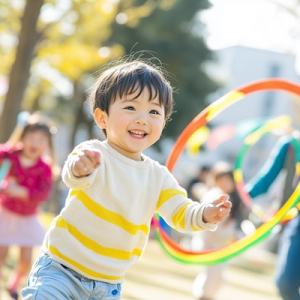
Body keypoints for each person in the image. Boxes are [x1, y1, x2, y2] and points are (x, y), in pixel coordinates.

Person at [21, 59, 232, 300]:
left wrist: (205, 214)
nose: (142, 119)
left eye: (154, 111)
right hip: (61, 271)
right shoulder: (94, 153)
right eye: (131, 108)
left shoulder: (158, 176)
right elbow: (74, 175)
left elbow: (180, 212)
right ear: (102, 118)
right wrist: (81, 167)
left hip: (108, 285)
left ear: (163, 123)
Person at [0, 112, 56, 300]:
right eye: (31, 137)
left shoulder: (45, 167)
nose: (35, 143)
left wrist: (20, 191)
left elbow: (42, 194)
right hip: (5, 213)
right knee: (1, 254)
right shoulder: (11, 156)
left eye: (41, 139)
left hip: (27, 217)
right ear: (22, 138)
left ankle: (13, 285)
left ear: (47, 143)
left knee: (25, 261)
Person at [245, 133, 300, 300]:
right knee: (285, 283)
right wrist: (236, 196)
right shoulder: (291, 144)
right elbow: (265, 180)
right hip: (296, 220)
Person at [192, 161, 241, 300]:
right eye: (222, 180)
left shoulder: (231, 199)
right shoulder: (214, 195)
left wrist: (234, 236)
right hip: (210, 243)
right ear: (215, 180)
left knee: (218, 278)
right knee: (214, 276)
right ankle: (203, 296)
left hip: (221, 246)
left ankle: (204, 296)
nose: (226, 184)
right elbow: (211, 224)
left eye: (228, 180)